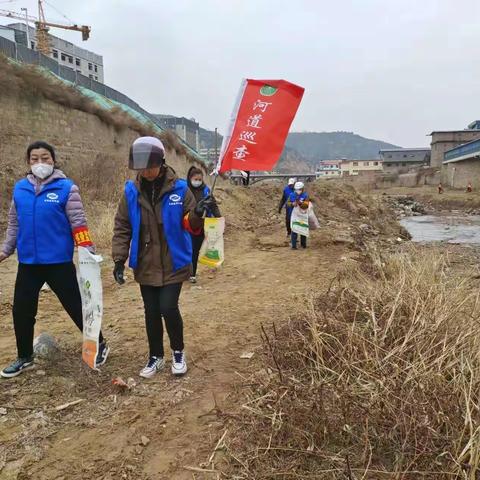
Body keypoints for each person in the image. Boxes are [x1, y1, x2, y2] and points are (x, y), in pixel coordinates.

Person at [0, 141, 109, 378]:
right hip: (28, 263)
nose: (40, 163)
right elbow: (14, 224)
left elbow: (78, 223)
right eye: (34, 159)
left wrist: (87, 251)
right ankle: (25, 356)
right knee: (22, 310)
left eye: (45, 158)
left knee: (76, 306)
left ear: (53, 160)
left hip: (58, 262)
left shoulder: (66, 189)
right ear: (28, 163)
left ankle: (99, 344)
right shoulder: (20, 189)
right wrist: (6, 250)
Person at [112, 137, 217, 378]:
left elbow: (190, 224)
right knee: (151, 311)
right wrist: (119, 259)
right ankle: (155, 356)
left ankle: (178, 352)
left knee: (168, 308)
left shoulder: (180, 189)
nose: (146, 172)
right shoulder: (131, 192)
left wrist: (198, 213)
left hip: (174, 259)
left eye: (150, 166)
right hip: (146, 261)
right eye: (141, 167)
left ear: (161, 162)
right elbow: (122, 226)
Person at [186, 166, 221, 283]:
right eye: (195, 179)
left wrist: (219, 218)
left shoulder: (206, 191)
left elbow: (214, 205)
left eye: (200, 179)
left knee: (195, 250)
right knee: (187, 249)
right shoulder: (185, 190)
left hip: (202, 225)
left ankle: (192, 273)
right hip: (187, 224)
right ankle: (185, 272)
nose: (198, 182)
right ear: (190, 179)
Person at [287, 181, 310, 250]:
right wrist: (292, 204)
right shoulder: (291, 195)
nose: (298, 191)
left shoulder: (305, 195)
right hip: (294, 215)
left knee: (302, 229)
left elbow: (306, 205)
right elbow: (287, 203)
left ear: (302, 189)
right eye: (296, 189)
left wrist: (300, 203)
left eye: (299, 189)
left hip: (302, 215)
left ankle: (303, 244)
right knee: (294, 229)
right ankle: (294, 246)